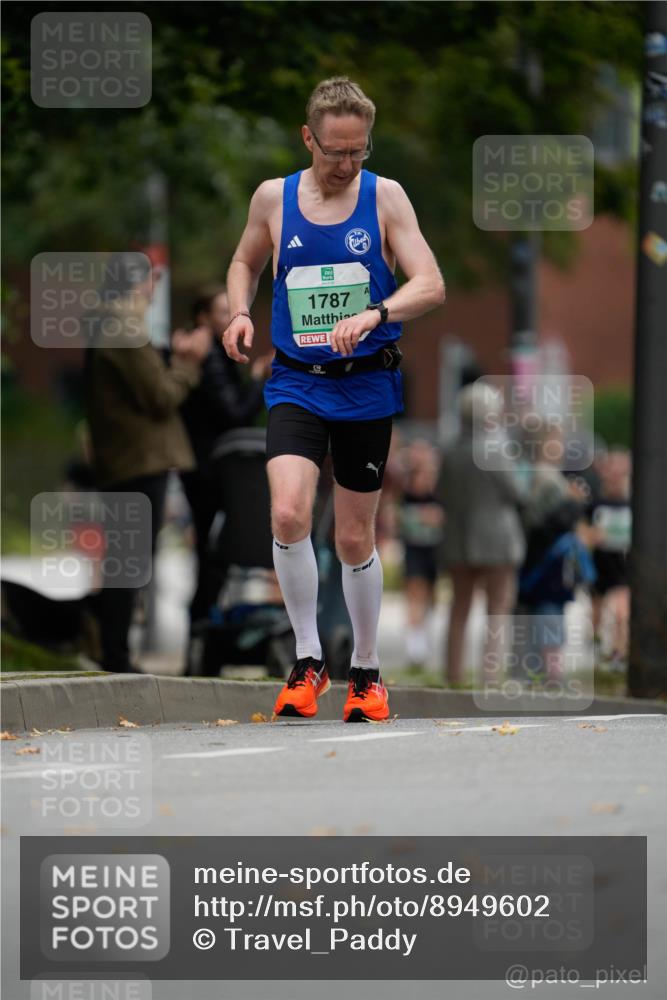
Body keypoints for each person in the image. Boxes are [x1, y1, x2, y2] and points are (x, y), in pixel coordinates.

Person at [223, 77, 445, 721]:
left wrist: (378, 312)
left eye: (358, 152)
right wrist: (240, 312)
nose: (347, 165)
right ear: (308, 137)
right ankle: (308, 661)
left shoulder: (386, 198)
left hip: (367, 383)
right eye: (334, 152)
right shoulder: (274, 198)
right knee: (289, 512)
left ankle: (368, 672)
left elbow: (430, 283)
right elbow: (244, 262)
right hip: (296, 381)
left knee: (353, 536)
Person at [84, 252, 211, 673]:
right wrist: (187, 364)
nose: (155, 288)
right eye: (152, 279)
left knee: (128, 559)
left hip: (130, 460)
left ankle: (109, 645)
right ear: (138, 284)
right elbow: (159, 396)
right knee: (130, 560)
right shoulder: (122, 327)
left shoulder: (113, 326)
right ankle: (115, 655)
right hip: (137, 462)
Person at [179, 287, 273, 630]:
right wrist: (260, 380)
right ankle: (203, 619)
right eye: (222, 312)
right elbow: (234, 414)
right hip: (208, 470)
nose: (231, 316)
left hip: (206, 467)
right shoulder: (210, 360)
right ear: (203, 318)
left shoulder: (218, 356)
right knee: (213, 547)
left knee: (213, 547)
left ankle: (204, 620)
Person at [436, 383, 525, 687]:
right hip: (498, 540)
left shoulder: (450, 450)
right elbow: (516, 492)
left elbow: (442, 493)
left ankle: (453, 674)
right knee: (498, 607)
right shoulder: (496, 450)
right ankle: (491, 676)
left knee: (458, 607)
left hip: (458, 537)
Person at [398, 439, 445, 670]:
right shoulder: (406, 484)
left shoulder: (439, 484)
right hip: (414, 546)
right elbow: (398, 515)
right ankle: (414, 647)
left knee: (431, 597)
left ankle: (422, 641)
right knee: (415, 594)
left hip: (435, 548)